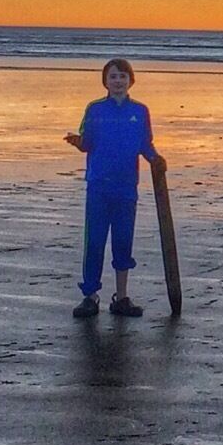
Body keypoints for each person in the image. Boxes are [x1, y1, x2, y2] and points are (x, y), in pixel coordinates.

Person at [64, 57, 165, 319]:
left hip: (126, 187)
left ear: (130, 80)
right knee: (95, 241)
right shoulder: (95, 109)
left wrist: (155, 159)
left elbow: (145, 143)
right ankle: (90, 295)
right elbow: (88, 142)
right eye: (112, 77)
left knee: (123, 241)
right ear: (105, 82)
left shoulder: (140, 111)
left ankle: (121, 297)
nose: (117, 81)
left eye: (122, 76)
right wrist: (77, 142)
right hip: (98, 186)